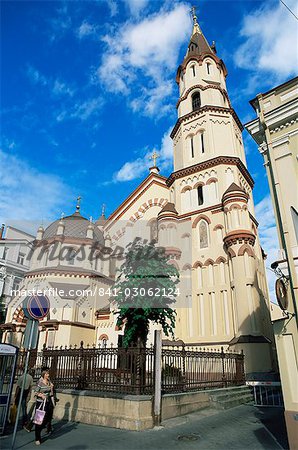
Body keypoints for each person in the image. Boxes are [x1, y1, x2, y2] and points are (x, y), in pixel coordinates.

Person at [33, 368, 56, 445]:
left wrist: (52, 387)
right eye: (46, 374)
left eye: (48, 373)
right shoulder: (40, 382)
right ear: (43, 374)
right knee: (39, 420)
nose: (48, 375)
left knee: (47, 418)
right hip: (40, 403)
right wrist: (41, 395)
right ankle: (37, 438)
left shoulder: (49, 382)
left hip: (48, 403)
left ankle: (42, 427)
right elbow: (35, 392)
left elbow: (51, 393)